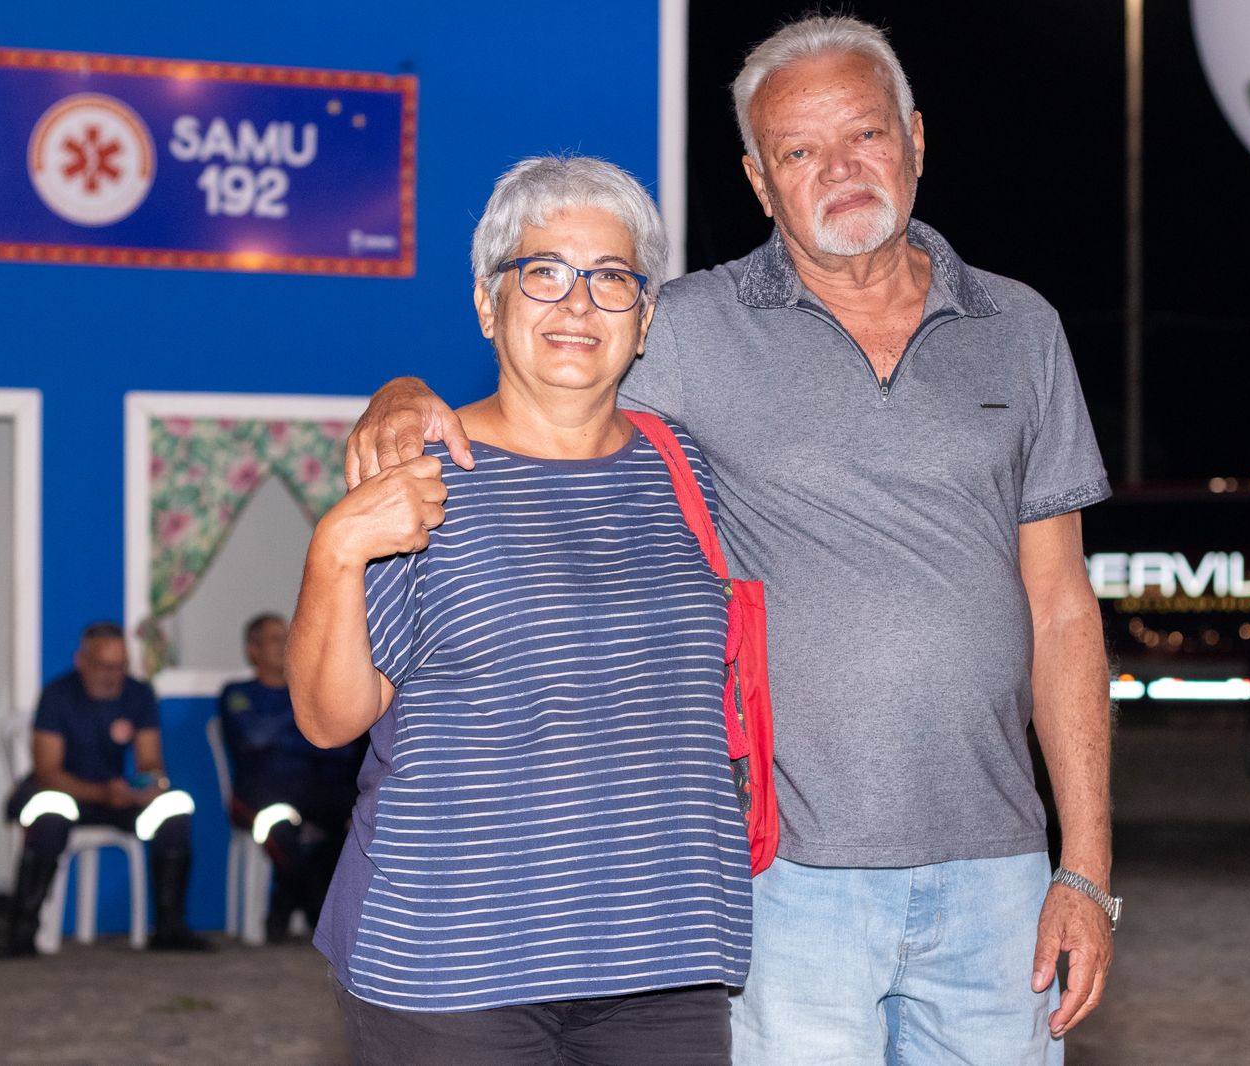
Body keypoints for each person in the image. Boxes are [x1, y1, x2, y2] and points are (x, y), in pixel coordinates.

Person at [344, 15, 1116, 1064]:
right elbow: (541, 371)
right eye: (799, 151)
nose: (838, 170)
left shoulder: (1023, 329)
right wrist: (397, 392)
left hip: (1000, 880)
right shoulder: (683, 326)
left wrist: (1084, 867)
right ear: (758, 181)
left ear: (917, 138)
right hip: (785, 885)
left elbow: (1062, 604)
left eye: (864, 136)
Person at [289, 155, 751, 1066]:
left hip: (665, 962)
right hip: (452, 968)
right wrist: (336, 549)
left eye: (611, 278)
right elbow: (326, 715)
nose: (577, 305)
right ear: (486, 306)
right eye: (542, 272)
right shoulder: (422, 478)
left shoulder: (691, 471)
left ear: (646, 318)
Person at [0, 622, 211, 956]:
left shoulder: (138, 694)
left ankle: (170, 927)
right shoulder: (57, 696)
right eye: (105, 667)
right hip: (67, 795)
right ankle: (21, 932)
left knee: (175, 808)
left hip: (115, 797)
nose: (113, 675)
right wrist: (102, 793)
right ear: (82, 661)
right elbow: (48, 772)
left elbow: (150, 760)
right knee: (49, 813)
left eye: (121, 666)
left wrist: (147, 786)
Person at [216, 612, 364, 941]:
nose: (285, 644)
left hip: (312, 789)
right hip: (258, 795)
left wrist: (283, 737)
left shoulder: (310, 692)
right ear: (251, 650)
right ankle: (315, 909)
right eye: (273, 639)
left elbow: (338, 749)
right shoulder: (237, 693)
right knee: (282, 829)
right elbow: (254, 735)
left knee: (360, 816)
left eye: (287, 635)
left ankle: (286, 905)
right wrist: (300, 710)